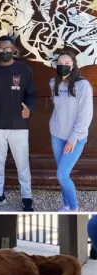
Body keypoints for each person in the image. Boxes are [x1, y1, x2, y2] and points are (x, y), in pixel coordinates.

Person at [0, 36, 37, 212]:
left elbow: (32, 94)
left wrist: (29, 108)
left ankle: (27, 197)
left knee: (22, 163)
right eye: (0, 49)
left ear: (14, 50)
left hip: (19, 125)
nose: (4, 52)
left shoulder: (24, 70)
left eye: (7, 49)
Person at [49, 50, 94, 212]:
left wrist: (73, 137)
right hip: (56, 135)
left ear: (73, 65)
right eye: (60, 63)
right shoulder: (54, 83)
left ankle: (74, 208)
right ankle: (65, 204)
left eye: (67, 63)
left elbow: (85, 115)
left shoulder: (83, 86)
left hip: (75, 138)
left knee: (62, 175)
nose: (63, 66)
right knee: (62, 175)